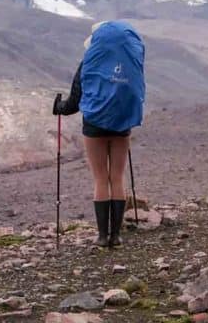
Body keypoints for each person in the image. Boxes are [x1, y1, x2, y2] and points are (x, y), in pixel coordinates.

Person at [53, 20, 145, 247]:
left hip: (94, 125)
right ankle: (117, 236)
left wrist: (59, 107)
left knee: (100, 178)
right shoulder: (129, 62)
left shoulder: (89, 63)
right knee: (116, 177)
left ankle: (103, 237)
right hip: (122, 124)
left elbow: (75, 101)